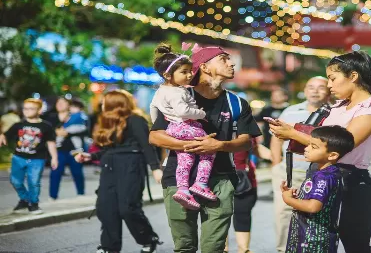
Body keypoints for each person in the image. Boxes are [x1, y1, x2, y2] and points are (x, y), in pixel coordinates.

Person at [269, 51, 371, 253]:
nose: (329, 85)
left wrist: (292, 133)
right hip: (319, 174)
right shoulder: (339, 106)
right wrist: (291, 129)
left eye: (333, 78)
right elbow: (321, 139)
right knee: (315, 242)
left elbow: (341, 146)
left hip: (349, 182)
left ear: (353, 76)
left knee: (355, 245)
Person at [149, 46, 261, 253]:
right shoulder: (179, 95)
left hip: (221, 180)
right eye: (223, 59)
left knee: (214, 247)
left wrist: (219, 146)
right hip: (178, 180)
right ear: (205, 67)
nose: (231, 63)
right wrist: (192, 146)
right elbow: (155, 136)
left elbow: (247, 141)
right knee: (184, 246)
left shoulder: (236, 102)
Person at [75, 91, 162, 253]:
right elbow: (108, 150)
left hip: (131, 166)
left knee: (128, 208)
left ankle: (148, 239)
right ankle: (109, 247)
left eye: (104, 102)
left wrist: (155, 168)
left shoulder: (136, 120)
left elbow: (147, 146)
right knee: (105, 207)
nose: (101, 105)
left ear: (114, 104)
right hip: (109, 167)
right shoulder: (108, 122)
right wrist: (90, 156)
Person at [150, 44, 215, 209]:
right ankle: (200, 183)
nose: (189, 75)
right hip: (187, 126)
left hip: (174, 128)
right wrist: (201, 114)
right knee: (208, 152)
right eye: (184, 72)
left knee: (185, 160)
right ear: (168, 74)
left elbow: (153, 110)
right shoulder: (177, 92)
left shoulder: (160, 91)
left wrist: (164, 122)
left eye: (190, 71)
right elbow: (184, 110)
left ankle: (183, 189)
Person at [270, 76, 330, 252]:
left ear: (328, 90)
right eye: (310, 87)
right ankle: (283, 249)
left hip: (319, 174)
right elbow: (276, 140)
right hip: (290, 172)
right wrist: (276, 164)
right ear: (304, 90)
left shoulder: (334, 113)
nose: (315, 90)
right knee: (283, 215)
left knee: (317, 215)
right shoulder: (290, 112)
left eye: (320, 87)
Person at [282, 125, 353, 253]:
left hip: (314, 241)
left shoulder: (325, 177)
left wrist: (288, 200)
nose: (307, 148)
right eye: (309, 144)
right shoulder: (321, 173)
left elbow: (313, 207)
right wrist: (297, 197)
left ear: (332, 155)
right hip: (305, 237)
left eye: (313, 147)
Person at [0, 98, 58, 214]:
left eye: (31, 109)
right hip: (18, 157)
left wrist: (54, 158)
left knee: (34, 182)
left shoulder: (45, 126)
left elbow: (51, 143)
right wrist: (2, 137)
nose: (27, 111)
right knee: (15, 181)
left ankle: (34, 204)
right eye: (25, 108)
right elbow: (6, 134)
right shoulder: (19, 125)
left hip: (37, 159)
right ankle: (25, 199)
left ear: (39, 110)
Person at [45, 97, 86, 200]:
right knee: (55, 172)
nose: (60, 104)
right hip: (58, 149)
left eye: (63, 103)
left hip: (75, 148)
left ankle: (81, 193)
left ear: (68, 105)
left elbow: (85, 129)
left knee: (77, 172)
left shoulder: (77, 116)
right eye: (58, 102)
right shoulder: (51, 117)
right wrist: (56, 132)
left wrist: (68, 132)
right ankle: (53, 196)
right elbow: (47, 131)